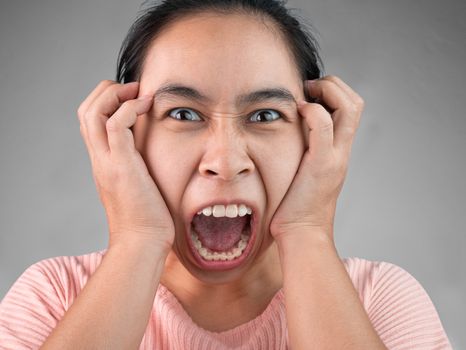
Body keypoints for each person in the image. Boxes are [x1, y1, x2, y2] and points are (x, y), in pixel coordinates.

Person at [0, 0, 452, 349]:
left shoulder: (379, 297)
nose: (226, 159)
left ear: (314, 136)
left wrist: (307, 230)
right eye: (182, 112)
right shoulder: (54, 294)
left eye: (264, 115)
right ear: (129, 135)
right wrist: (137, 237)